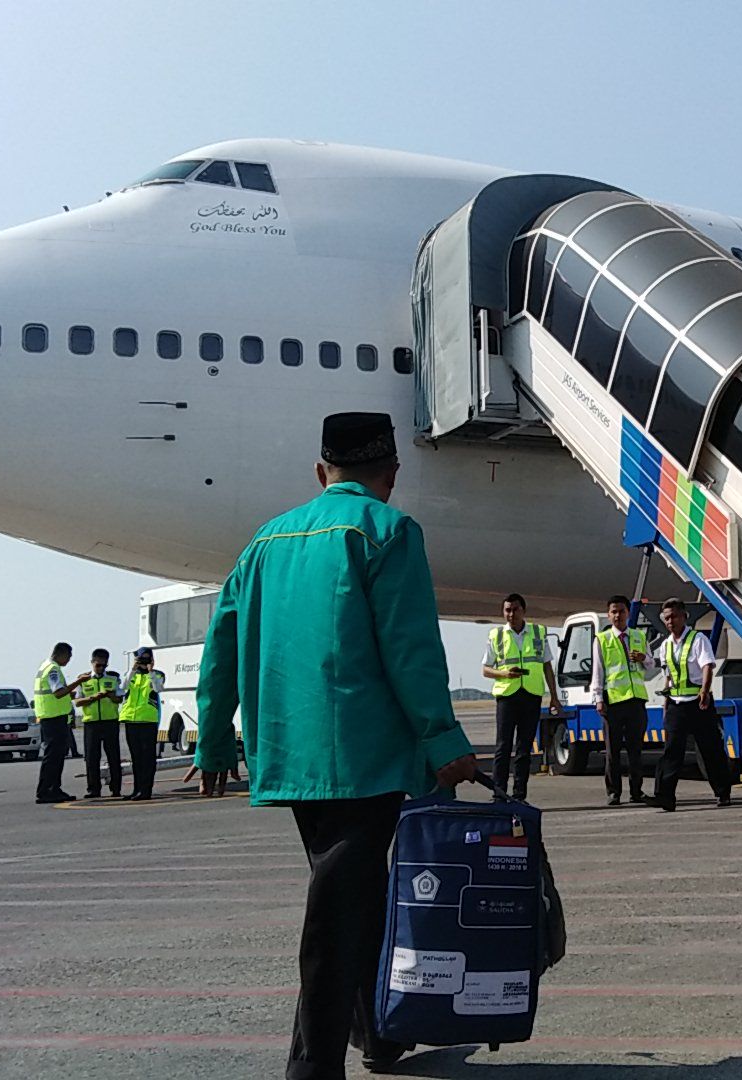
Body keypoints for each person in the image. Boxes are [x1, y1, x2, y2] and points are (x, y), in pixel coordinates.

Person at [193, 411, 478, 1079]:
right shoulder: (388, 531)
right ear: (392, 474)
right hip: (365, 756)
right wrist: (444, 738)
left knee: (355, 896)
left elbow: (220, 651)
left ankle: (378, 1033)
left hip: (288, 755)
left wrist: (212, 745)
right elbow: (410, 649)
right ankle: (312, 1062)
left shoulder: (264, 541)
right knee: (336, 910)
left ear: (322, 473)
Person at [647, 597, 734, 812]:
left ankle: (723, 791)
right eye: (667, 618)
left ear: (684, 617)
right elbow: (668, 676)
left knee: (710, 749)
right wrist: (665, 702)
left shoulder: (698, 640)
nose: (670, 621)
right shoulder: (665, 645)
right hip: (677, 704)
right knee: (671, 751)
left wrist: (705, 690)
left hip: (698, 703)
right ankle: (665, 796)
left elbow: (707, 666)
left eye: (674, 616)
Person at [481, 592, 561, 802]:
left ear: (523, 611)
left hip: (531, 695)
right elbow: (486, 670)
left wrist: (554, 696)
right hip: (507, 696)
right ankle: (499, 793)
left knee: (524, 749)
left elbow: (547, 667)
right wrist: (505, 673)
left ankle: (519, 794)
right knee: (503, 747)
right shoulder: (496, 635)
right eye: (507, 610)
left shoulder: (538, 632)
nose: (511, 614)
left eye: (515, 609)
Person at [588, 594, 656, 807]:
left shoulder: (638, 636)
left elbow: (652, 665)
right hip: (613, 701)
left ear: (628, 613)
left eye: (621, 611)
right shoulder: (602, 639)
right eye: (614, 612)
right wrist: (598, 698)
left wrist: (644, 658)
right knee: (613, 751)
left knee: (636, 750)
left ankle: (636, 791)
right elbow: (597, 671)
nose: (618, 615)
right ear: (608, 615)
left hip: (636, 700)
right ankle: (614, 792)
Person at [33, 643, 90, 804]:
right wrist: (79, 681)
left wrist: (76, 693)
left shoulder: (45, 666)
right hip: (53, 718)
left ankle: (53, 788)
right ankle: (47, 790)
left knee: (56, 756)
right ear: (62, 654)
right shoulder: (53, 669)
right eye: (69, 657)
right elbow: (58, 692)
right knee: (53, 757)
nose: (69, 660)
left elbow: (60, 693)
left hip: (51, 717)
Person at [76, 648, 124, 798]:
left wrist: (109, 695)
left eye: (104, 665)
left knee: (113, 756)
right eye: (98, 665)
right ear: (92, 663)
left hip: (110, 721)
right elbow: (77, 701)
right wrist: (93, 698)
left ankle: (116, 788)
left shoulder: (113, 678)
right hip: (91, 723)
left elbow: (119, 698)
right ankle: (93, 789)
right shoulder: (83, 679)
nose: (101, 668)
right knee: (91, 758)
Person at [119, 646, 165, 800]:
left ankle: (146, 790)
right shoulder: (130, 675)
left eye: (146, 658)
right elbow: (122, 687)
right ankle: (137, 789)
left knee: (147, 758)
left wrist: (150, 671)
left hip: (148, 720)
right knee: (136, 757)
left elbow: (158, 689)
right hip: (131, 719)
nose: (143, 661)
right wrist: (133, 669)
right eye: (141, 658)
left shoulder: (157, 674)